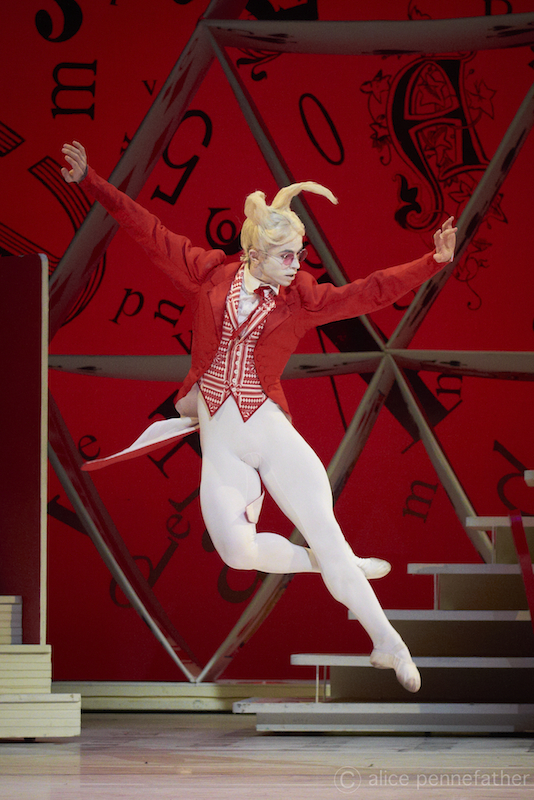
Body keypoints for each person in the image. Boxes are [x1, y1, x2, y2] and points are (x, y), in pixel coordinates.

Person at [61, 141, 457, 693]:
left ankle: (389, 642)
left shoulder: (302, 298)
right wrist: (91, 181)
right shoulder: (209, 275)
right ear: (254, 253)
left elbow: (368, 293)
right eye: (287, 256)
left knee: (326, 533)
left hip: (271, 433)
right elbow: (148, 231)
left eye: (300, 254)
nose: (298, 265)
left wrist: (432, 262)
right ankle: (330, 561)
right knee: (237, 552)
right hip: (223, 442)